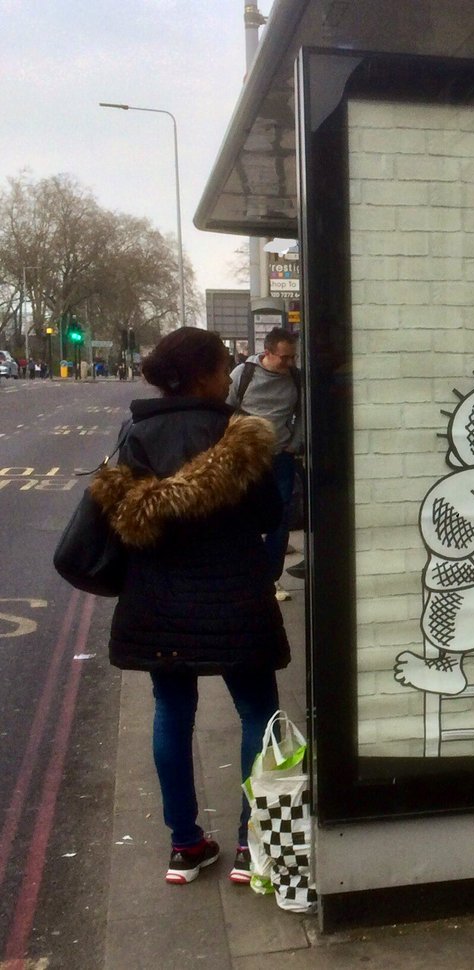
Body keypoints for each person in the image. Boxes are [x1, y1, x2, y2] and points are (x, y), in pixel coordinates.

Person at [89, 327, 290, 885]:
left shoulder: (135, 434)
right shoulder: (239, 434)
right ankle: (254, 847)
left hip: (158, 603)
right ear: (201, 374)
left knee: (172, 713)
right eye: (224, 366)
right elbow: (271, 517)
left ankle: (185, 846)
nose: (229, 376)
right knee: (256, 712)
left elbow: (117, 518)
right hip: (234, 599)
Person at [227, 328, 304, 601]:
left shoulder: (295, 377)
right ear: (267, 353)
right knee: (243, 516)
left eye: (293, 357)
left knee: (279, 521)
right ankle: (244, 576)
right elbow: (226, 410)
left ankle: (269, 580)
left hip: (281, 457)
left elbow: (302, 414)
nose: (290, 363)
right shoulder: (242, 375)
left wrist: (293, 444)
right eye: (284, 357)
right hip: (246, 458)